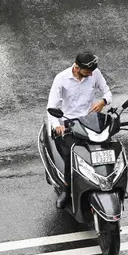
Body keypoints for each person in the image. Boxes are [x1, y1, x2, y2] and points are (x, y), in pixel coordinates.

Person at [46, 52, 112, 209]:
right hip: (69, 123)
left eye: (91, 72)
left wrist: (103, 101)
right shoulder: (61, 79)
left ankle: (106, 181)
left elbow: (107, 92)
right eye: (87, 72)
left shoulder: (94, 73)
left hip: (89, 122)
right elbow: (51, 108)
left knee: (104, 149)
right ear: (76, 67)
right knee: (72, 154)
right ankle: (67, 190)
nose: (90, 74)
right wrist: (57, 125)